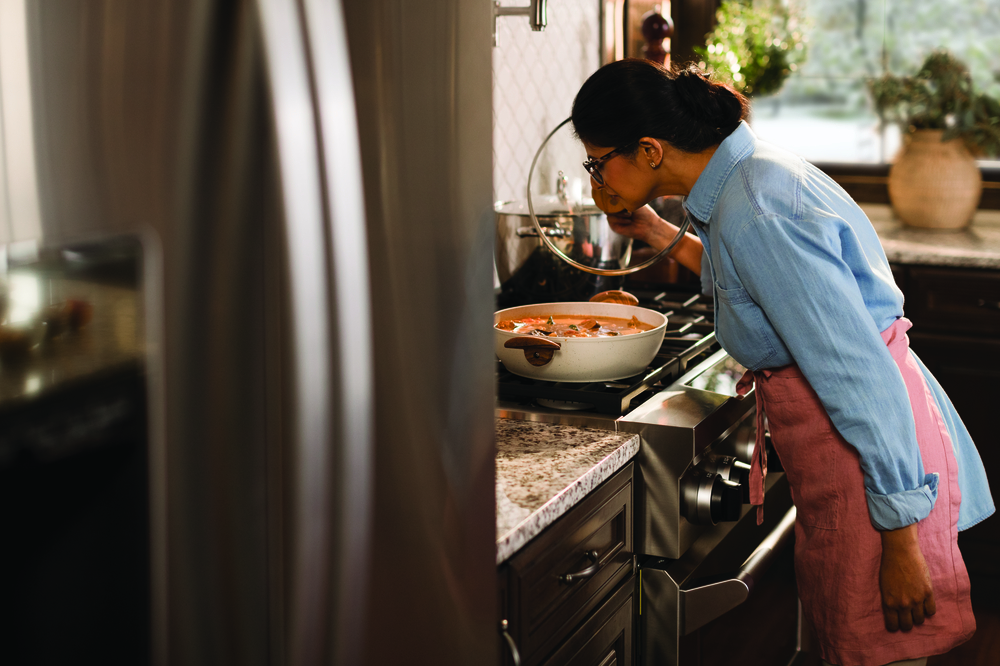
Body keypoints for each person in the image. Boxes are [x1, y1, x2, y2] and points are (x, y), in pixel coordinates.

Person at [572, 58, 994, 666]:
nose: (595, 178)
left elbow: (854, 372)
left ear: (649, 150)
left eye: (597, 160)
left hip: (875, 465)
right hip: (855, 454)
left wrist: (900, 539)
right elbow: (752, 288)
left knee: (885, 654)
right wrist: (655, 230)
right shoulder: (743, 179)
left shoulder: (756, 211)